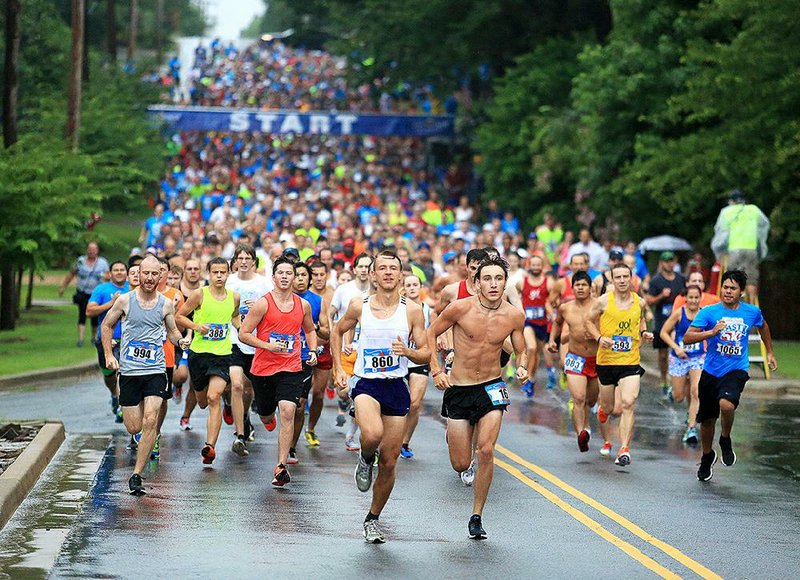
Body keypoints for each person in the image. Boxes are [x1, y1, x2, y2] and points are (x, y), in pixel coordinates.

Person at [331, 251, 430, 543]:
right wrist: (339, 368)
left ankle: (372, 519)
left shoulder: (412, 310)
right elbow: (336, 332)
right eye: (382, 268)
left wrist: (409, 353)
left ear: (401, 275)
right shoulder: (358, 305)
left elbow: (426, 351)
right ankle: (364, 458)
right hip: (367, 384)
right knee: (372, 434)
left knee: (389, 461)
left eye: (393, 269)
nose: (388, 273)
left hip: (396, 385)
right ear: (372, 275)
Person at [427, 255, 527, 539]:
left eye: (498, 278)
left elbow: (522, 350)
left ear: (505, 283)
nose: (493, 284)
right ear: (477, 283)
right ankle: (459, 442)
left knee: (485, 450)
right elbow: (430, 333)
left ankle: (477, 515)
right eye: (487, 278)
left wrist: (522, 367)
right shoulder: (460, 309)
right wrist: (436, 371)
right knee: (460, 463)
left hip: (492, 387)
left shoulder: (513, 315)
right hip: (459, 388)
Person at [100, 255, 186, 495]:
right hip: (129, 372)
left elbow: (172, 331)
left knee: (150, 420)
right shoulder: (125, 301)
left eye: (154, 274)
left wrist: (181, 341)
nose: (149, 278)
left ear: (160, 276)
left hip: (156, 371)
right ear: (138, 275)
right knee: (133, 426)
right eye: (145, 274)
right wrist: (109, 354)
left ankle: (136, 474)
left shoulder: (166, 304)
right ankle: (140, 440)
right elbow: (106, 326)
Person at [684, 270, 777, 481]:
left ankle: (725, 438)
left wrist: (770, 352)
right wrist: (711, 333)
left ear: (741, 292)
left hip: (736, 369)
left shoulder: (751, 312)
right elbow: (688, 338)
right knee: (707, 420)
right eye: (725, 287)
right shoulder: (709, 312)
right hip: (711, 371)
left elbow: (764, 327)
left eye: (732, 288)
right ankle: (707, 456)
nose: (727, 291)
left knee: (726, 405)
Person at [239, 257, 319, 486]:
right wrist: (267, 346)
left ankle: (281, 466)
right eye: (280, 273)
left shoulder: (302, 305)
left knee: (288, 410)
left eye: (289, 273)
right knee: (266, 413)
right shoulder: (263, 303)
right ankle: (266, 418)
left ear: (294, 277)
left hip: (291, 366)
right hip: (263, 369)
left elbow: (310, 331)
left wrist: (312, 351)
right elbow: (244, 333)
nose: (285, 277)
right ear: (273, 277)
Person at [586, 264, 654, 467]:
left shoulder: (639, 302)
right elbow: (588, 322)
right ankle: (603, 419)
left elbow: (640, 320)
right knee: (608, 407)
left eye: (626, 276)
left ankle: (624, 449)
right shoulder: (603, 301)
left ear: (632, 279)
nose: (623, 280)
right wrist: (599, 338)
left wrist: (644, 333)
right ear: (612, 280)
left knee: (628, 403)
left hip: (630, 361)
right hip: (606, 361)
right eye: (618, 277)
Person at [175, 257, 240, 465]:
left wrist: (246, 325)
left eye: (223, 272)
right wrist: (196, 327)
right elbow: (180, 316)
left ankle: (210, 447)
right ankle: (212, 408)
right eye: (215, 272)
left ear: (228, 273)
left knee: (214, 397)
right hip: (199, 354)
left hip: (222, 354)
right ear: (209, 274)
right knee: (202, 401)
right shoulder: (199, 295)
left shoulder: (234, 297)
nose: (219, 276)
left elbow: (235, 318)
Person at [547, 271, 610, 453]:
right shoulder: (566, 308)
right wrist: (553, 340)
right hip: (575, 358)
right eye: (577, 285)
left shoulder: (599, 306)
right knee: (578, 398)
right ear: (572, 288)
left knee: (591, 400)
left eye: (584, 285)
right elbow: (557, 323)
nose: (581, 288)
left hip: (597, 358)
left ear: (591, 288)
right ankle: (581, 433)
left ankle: (586, 426)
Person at [226, 244, 272, 455]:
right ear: (235, 261)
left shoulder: (263, 283)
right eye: (240, 258)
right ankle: (240, 435)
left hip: (256, 343)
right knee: (236, 385)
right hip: (234, 340)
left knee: (249, 389)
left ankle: (244, 417)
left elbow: (272, 310)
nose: (243, 261)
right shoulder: (229, 281)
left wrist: (260, 306)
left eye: (247, 258)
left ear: (254, 261)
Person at [329, 253, 374, 450]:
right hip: (345, 350)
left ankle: (352, 435)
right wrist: (335, 339)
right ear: (354, 269)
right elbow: (331, 315)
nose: (364, 270)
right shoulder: (344, 290)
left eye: (368, 267)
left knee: (361, 395)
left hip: (366, 352)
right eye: (361, 266)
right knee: (344, 391)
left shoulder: (378, 294)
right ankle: (345, 403)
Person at [288, 261, 330, 462]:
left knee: (298, 405)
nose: (300, 279)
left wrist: (314, 327)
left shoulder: (317, 301)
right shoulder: (280, 299)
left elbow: (327, 332)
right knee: (279, 405)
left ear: (309, 278)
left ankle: (291, 447)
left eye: (304, 275)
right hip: (281, 356)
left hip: (304, 357)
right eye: (296, 275)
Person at [659, 285, 706, 445]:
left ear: (700, 298)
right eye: (690, 297)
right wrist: (676, 348)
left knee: (696, 392)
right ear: (686, 298)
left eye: (696, 297)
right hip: (679, 357)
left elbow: (712, 333)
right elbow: (663, 332)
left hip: (697, 357)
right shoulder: (680, 313)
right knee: (679, 397)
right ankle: (675, 390)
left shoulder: (704, 313)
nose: (693, 300)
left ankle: (691, 428)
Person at [86, 261, 129, 423]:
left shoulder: (132, 289)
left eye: (122, 270)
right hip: (105, 339)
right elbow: (89, 311)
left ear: (126, 272)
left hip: (126, 339)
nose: (119, 272)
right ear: (110, 273)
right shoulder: (102, 289)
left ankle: (121, 405)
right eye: (115, 270)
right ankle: (114, 394)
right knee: (109, 375)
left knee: (123, 372)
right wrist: (110, 305)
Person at [711, 189, 770, 303]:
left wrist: (720, 249)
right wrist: (760, 246)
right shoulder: (753, 209)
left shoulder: (726, 212)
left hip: (735, 249)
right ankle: (752, 304)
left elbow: (721, 232)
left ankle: (734, 302)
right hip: (751, 248)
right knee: (751, 279)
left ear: (732, 201)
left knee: (732, 276)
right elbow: (764, 225)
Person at [400, 273, 436, 459]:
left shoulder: (429, 311)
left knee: (414, 404)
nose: (412, 288)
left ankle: (404, 442)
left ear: (421, 287)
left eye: (416, 285)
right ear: (403, 288)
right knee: (395, 404)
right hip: (399, 360)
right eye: (409, 285)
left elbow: (436, 334)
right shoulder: (397, 309)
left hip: (418, 360)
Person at [646, 251, 685, 397]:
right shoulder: (656, 280)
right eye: (666, 261)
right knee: (663, 354)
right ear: (662, 263)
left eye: (671, 261)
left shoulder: (681, 279)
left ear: (674, 262)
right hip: (662, 319)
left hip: (679, 320)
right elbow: (649, 300)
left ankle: (678, 381)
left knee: (678, 350)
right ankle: (663, 380)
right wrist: (661, 296)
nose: (669, 263)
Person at [515, 254, 556, 393]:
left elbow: (554, 300)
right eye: (534, 265)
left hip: (543, 324)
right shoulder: (522, 282)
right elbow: (514, 297)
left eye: (539, 265)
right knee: (531, 348)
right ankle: (527, 378)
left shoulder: (548, 283)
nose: (536, 267)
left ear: (542, 266)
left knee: (537, 354)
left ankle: (532, 379)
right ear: (529, 266)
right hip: (528, 323)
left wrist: (552, 312)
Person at [59, 242, 110, 347]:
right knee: (82, 314)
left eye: (94, 249)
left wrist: (104, 277)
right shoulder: (80, 261)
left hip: (96, 294)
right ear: (87, 250)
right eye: (90, 249)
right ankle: (81, 339)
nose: (92, 251)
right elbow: (71, 273)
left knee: (95, 316)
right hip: (82, 292)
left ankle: (93, 337)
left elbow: (109, 275)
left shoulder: (103, 263)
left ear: (97, 251)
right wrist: (63, 286)